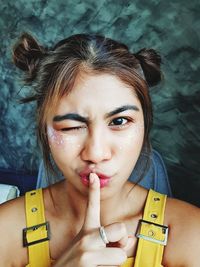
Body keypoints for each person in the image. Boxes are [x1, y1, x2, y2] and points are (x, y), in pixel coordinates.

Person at [0, 32, 200, 267]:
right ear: (45, 131)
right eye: (72, 127)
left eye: (119, 121)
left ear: (145, 124)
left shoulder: (190, 233)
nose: (95, 154)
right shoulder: (6, 230)